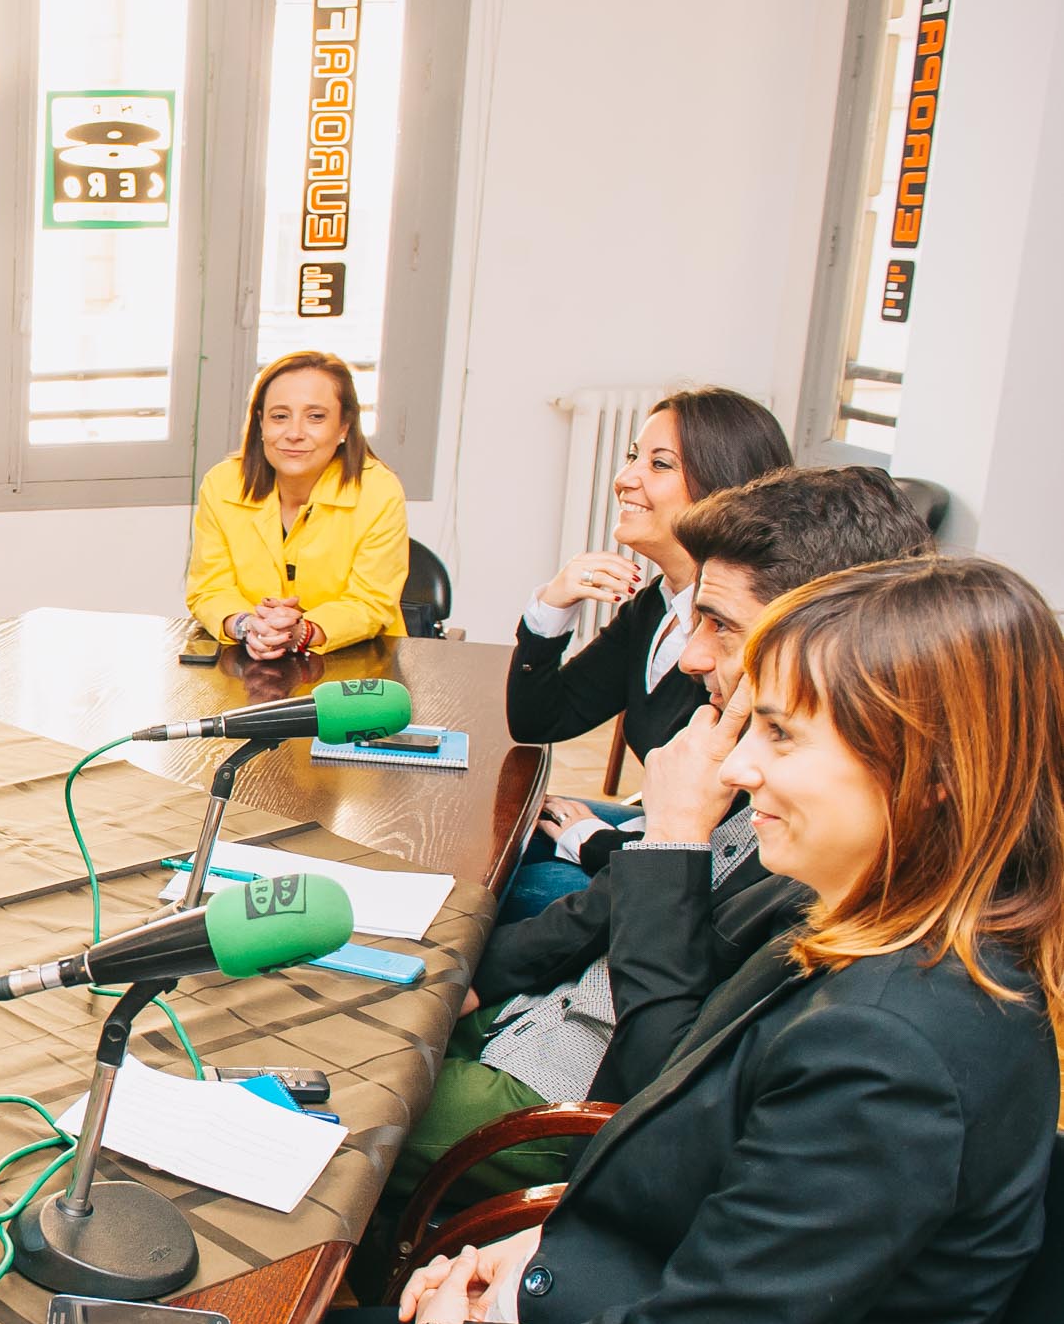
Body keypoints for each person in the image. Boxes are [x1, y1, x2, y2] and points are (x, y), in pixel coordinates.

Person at [179, 553, 1062, 1324]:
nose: (736, 767)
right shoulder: (874, 942)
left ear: (934, 777)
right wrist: (532, 1254)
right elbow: (727, 1213)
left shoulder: (902, 1045)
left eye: (783, 738)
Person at [396, 467, 931, 1203]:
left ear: (818, 637)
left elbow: (661, 1097)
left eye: (720, 626)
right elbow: (607, 904)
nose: (692, 657)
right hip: (533, 1024)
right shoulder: (755, 762)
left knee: (342, 1100)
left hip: (578, 1104)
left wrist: (674, 837)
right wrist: (474, 979)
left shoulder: (821, 838)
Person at [497, 387, 791, 922]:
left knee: (507, 889)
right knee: (503, 835)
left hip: (694, 887)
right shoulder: (656, 605)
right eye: (634, 455)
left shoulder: (749, 642)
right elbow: (541, 717)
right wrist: (551, 606)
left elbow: (731, 863)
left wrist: (593, 842)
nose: (625, 477)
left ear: (721, 489)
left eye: (658, 464)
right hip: (658, 840)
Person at [183, 351, 408, 659]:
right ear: (260, 422)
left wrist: (302, 632)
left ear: (344, 426)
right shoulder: (222, 484)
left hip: (360, 667)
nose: (294, 433)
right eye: (279, 416)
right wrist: (247, 626)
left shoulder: (378, 490)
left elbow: (370, 601)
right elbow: (209, 588)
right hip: (249, 660)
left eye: (316, 417)